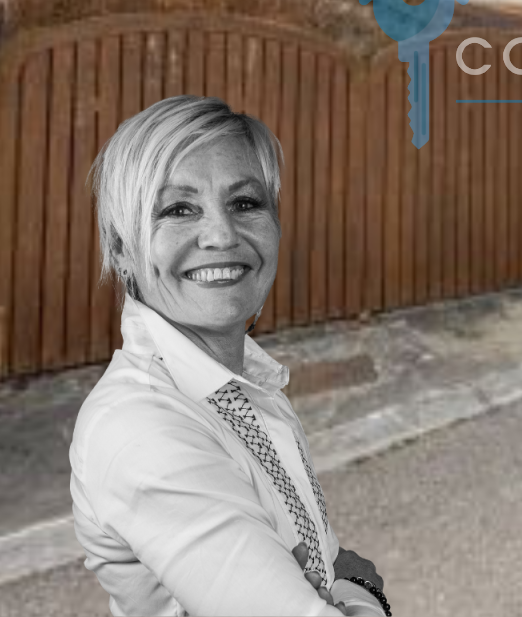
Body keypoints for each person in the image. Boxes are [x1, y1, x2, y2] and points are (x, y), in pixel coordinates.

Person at [70, 95, 390, 616]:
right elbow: (340, 579)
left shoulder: (247, 380)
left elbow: (324, 555)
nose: (222, 235)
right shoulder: (139, 426)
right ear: (123, 249)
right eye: (178, 209)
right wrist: (364, 591)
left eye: (245, 203)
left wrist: (344, 581)